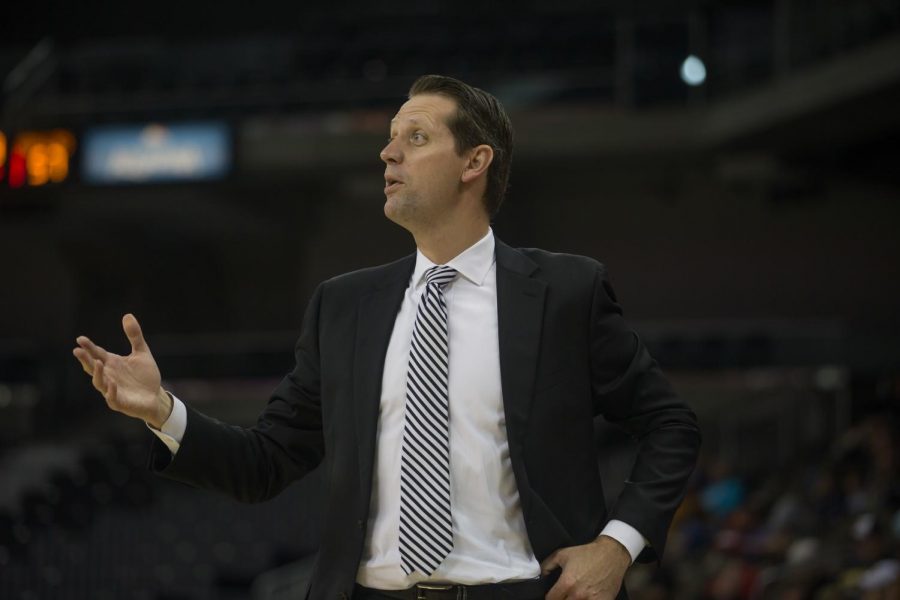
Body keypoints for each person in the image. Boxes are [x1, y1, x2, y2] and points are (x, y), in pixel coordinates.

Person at [73, 74, 701, 600]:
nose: (388, 154)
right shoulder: (343, 306)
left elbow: (671, 425)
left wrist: (617, 547)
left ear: (474, 162)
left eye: (416, 137)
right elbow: (265, 464)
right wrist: (161, 411)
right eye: (390, 139)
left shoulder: (566, 291)